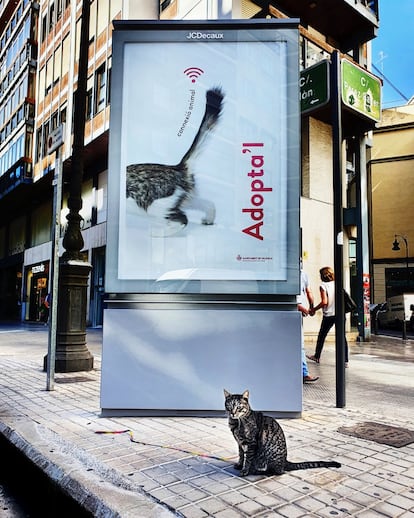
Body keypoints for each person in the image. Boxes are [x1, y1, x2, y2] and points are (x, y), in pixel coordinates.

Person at [307, 266, 348, 366]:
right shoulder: (338, 284)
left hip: (329, 314)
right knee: (342, 336)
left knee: (322, 335)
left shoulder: (323, 286)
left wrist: (313, 309)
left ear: (322, 276)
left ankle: (317, 356)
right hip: (340, 313)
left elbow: (324, 302)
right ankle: (345, 360)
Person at [298, 266, 319, 383]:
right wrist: (311, 308)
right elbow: (309, 292)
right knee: (299, 343)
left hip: (296, 310)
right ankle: (304, 373)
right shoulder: (303, 274)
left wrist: (308, 308)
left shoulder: (296, 274)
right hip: (299, 311)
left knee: (299, 343)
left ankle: (304, 372)